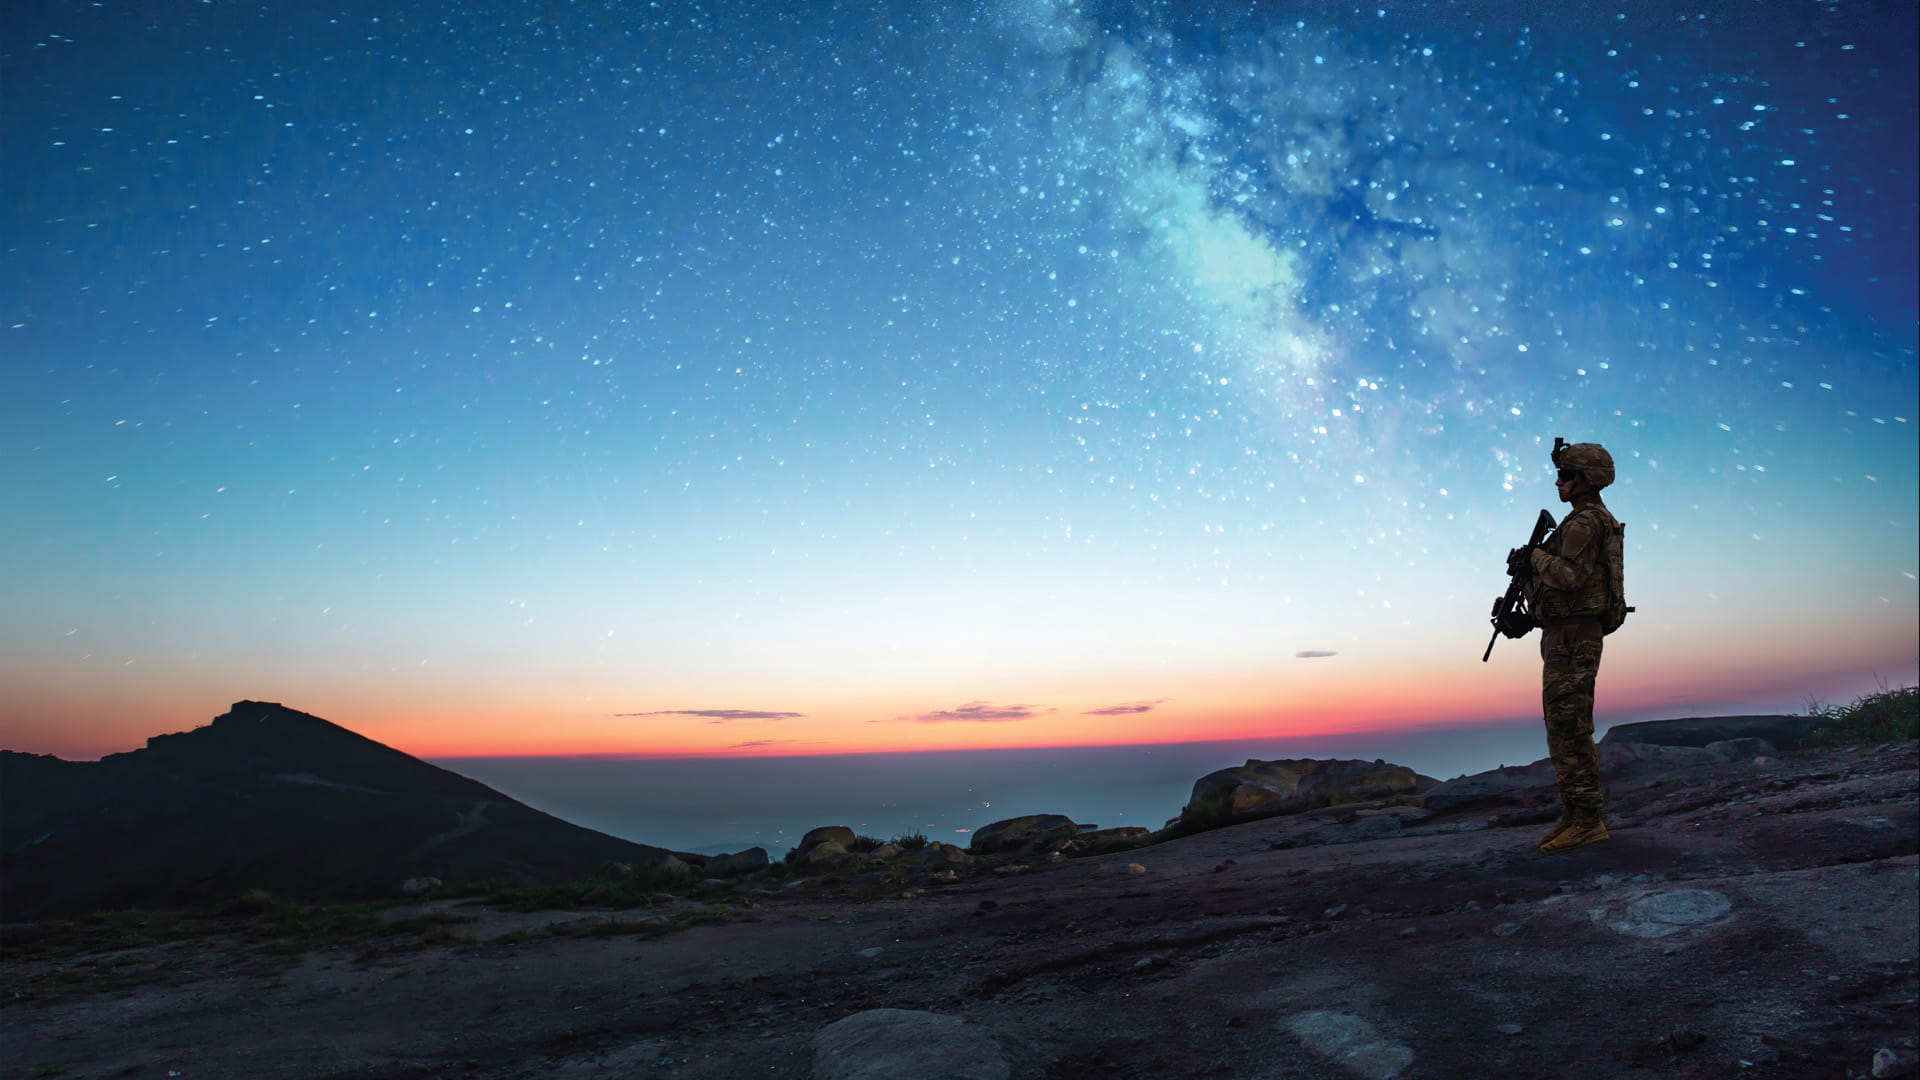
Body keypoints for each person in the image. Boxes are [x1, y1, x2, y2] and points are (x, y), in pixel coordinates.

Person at [1513, 441, 1624, 854]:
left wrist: (1537, 558)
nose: (1558, 482)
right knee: (1563, 727)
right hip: (1565, 633)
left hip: (1574, 636)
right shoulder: (1583, 520)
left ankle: (1587, 821)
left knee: (1570, 727)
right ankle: (1576, 815)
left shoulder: (1584, 523)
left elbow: (1569, 577)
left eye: (1566, 475)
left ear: (1586, 479)